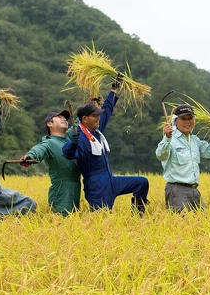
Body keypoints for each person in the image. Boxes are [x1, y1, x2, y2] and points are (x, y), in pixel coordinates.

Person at [62, 79, 150, 214]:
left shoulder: (96, 130)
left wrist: (113, 91)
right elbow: (68, 154)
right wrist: (72, 144)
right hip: (96, 185)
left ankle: (138, 216)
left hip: (110, 180)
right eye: (95, 116)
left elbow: (107, 110)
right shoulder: (79, 137)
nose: (98, 118)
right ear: (85, 119)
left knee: (142, 182)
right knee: (102, 219)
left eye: (98, 115)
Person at [156, 104, 210, 212]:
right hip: (177, 191)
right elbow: (161, 155)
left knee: (204, 224)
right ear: (176, 121)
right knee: (180, 225)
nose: (187, 122)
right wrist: (167, 138)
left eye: (190, 118)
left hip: (194, 190)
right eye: (183, 118)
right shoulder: (171, 139)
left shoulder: (195, 140)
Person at [19, 108, 80, 216]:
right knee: (61, 225)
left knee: (73, 224)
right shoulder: (49, 143)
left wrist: (92, 105)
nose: (64, 120)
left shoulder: (69, 139)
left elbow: (82, 121)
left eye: (65, 118)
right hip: (61, 191)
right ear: (50, 123)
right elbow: (38, 150)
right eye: (60, 118)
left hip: (75, 189)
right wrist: (29, 156)